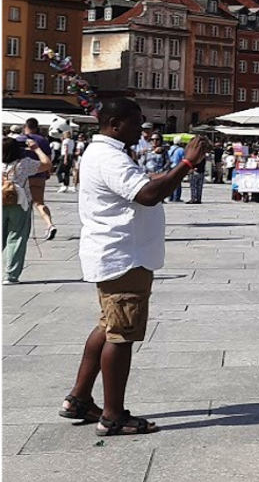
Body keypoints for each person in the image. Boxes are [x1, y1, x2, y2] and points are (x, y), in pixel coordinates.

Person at [61, 97, 209, 436]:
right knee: (121, 334)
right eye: (135, 122)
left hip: (119, 252)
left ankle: (79, 398)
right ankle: (113, 416)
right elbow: (147, 195)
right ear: (115, 124)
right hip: (124, 255)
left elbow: (135, 186)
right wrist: (185, 165)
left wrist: (166, 172)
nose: (142, 128)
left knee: (108, 325)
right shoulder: (109, 157)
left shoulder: (104, 153)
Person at [2, 135, 52, 283]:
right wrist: (36, 148)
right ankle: (11, 275)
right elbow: (47, 164)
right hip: (20, 203)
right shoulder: (24, 163)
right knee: (17, 238)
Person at [23, 118, 57, 241]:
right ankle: (49, 224)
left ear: (25, 126)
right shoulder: (43, 140)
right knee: (39, 203)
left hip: (24, 174)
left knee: (23, 204)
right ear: (37, 128)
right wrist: (47, 173)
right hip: (39, 174)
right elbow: (48, 159)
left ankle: (22, 229)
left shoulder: (20, 139)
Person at [167, 139, 185, 203]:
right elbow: (183, 160)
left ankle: (170, 197)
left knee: (170, 183)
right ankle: (176, 197)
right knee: (177, 183)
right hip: (177, 167)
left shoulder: (170, 149)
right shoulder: (181, 150)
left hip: (169, 167)